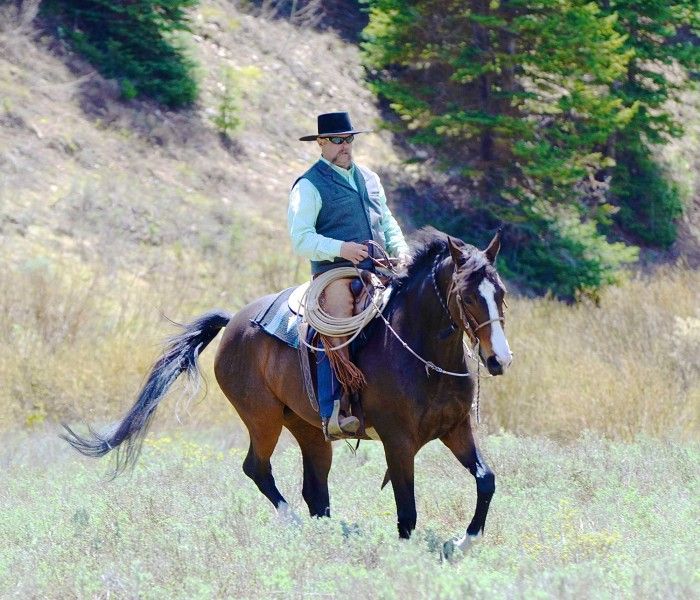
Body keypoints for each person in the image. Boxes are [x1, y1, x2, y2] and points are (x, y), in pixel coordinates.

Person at [288, 111, 409, 439]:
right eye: (338, 141)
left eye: (349, 139)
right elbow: (301, 238)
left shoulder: (369, 178)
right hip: (335, 273)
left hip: (380, 267)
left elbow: (386, 221)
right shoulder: (309, 186)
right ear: (322, 144)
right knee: (338, 323)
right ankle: (336, 408)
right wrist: (342, 249)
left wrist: (401, 251)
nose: (345, 146)